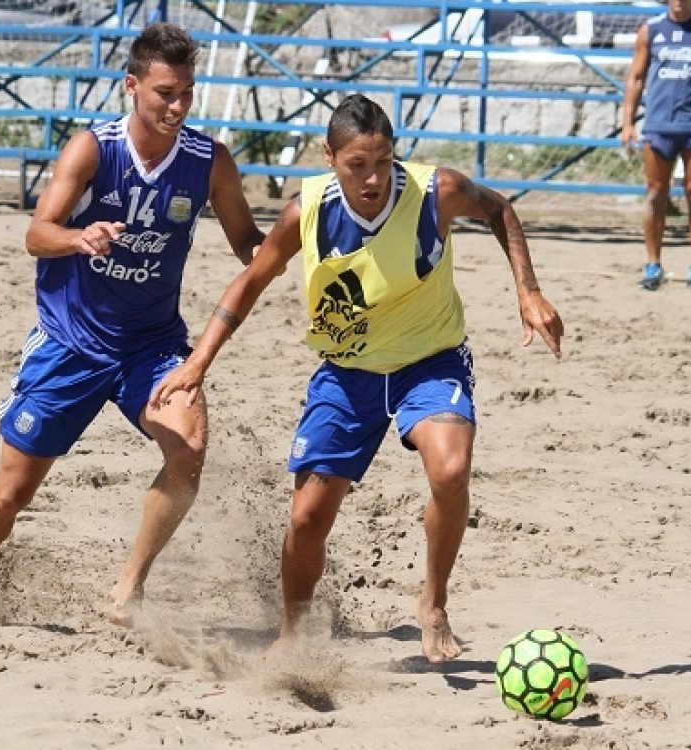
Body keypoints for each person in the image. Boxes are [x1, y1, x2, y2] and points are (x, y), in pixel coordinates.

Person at [150, 94, 564, 663]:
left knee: (450, 470)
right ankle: (293, 635)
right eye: (357, 165)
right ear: (329, 157)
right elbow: (249, 283)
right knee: (306, 519)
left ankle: (434, 600)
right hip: (346, 374)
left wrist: (529, 291)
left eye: (383, 161)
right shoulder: (306, 212)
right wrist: (198, 361)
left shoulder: (435, 191)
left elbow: (499, 210)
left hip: (430, 360)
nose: (373, 178)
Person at [0, 22, 265, 631]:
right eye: (165, 93)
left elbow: (247, 239)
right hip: (71, 343)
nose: (178, 106)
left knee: (189, 449)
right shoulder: (93, 149)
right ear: (132, 86)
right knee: (11, 493)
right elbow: (37, 234)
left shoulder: (209, 161)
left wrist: (289, 250)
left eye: (187, 93)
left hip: (151, 347)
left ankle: (129, 589)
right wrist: (78, 237)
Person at [621, 0, 691, 290]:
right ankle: (653, 264)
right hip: (659, 125)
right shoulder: (651, 30)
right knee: (656, 193)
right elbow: (636, 77)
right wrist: (628, 122)